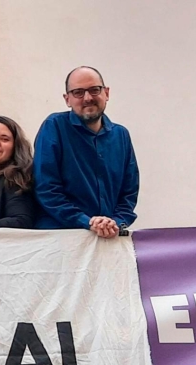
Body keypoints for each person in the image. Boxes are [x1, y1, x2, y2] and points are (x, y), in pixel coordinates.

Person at [34, 66, 139, 238]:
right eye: (78, 92)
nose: (88, 98)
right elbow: (46, 188)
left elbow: (129, 192)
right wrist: (87, 221)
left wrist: (115, 222)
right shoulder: (54, 127)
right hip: (61, 239)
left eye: (94, 90)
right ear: (67, 99)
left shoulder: (121, 136)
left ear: (106, 93)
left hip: (107, 239)